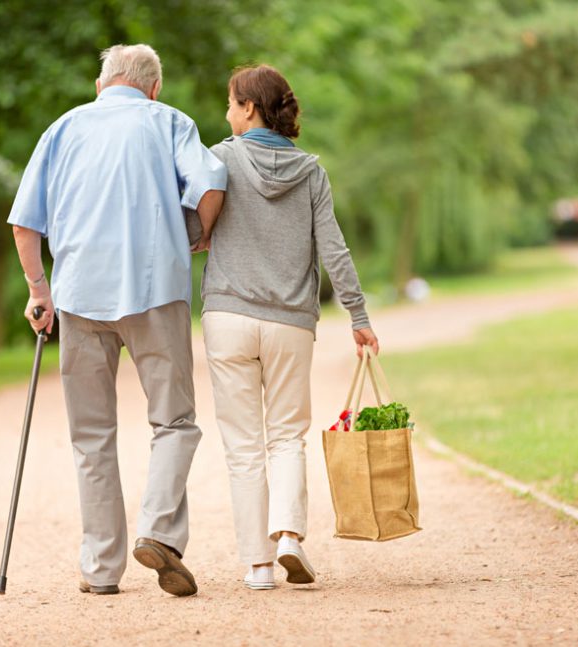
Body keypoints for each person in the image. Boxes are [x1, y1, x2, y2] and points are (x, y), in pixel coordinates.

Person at [8, 44, 226, 597]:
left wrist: (40, 290)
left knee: (91, 436)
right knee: (174, 422)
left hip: (80, 295)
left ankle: (101, 570)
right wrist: (196, 236)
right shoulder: (170, 122)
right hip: (155, 291)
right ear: (153, 87)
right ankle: (158, 531)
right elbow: (211, 184)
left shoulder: (63, 128)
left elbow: (24, 225)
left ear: (101, 83)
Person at [198, 65, 378, 590]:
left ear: (249, 108)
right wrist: (359, 317)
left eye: (231, 103)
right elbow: (334, 251)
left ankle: (257, 566)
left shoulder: (220, 159)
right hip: (290, 325)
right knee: (286, 438)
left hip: (228, 317)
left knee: (243, 445)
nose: (227, 113)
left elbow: (193, 227)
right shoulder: (312, 173)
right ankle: (290, 538)